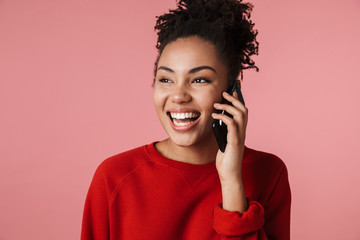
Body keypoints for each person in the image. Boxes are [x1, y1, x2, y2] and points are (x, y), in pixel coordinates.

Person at [81, 0, 291, 239]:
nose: (178, 96)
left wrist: (232, 180)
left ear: (233, 92)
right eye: (166, 79)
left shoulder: (268, 173)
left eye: (199, 80)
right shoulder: (114, 177)